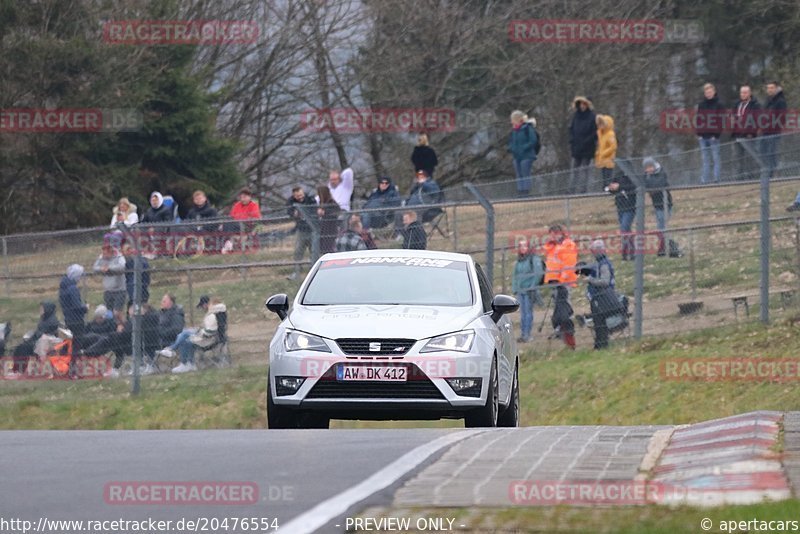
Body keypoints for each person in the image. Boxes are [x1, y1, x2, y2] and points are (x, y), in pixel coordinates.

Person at [157, 296, 226, 374]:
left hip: (208, 340)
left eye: (201, 306)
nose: (202, 309)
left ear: (205, 305)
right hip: (215, 338)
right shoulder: (219, 314)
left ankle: (183, 361)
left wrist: (199, 333)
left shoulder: (212, 315)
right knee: (186, 333)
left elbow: (209, 332)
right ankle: (187, 362)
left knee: (186, 338)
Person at [577, 240, 622, 350]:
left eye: (594, 251)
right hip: (602, 296)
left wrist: (590, 280)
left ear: (599, 250)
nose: (593, 253)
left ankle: (601, 344)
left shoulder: (604, 264)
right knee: (598, 319)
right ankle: (599, 342)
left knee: (599, 319)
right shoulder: (601, 263)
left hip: (605, 296)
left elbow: (605, 282)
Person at [543, 224, 578, 349]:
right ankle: (561, 330)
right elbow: (549, 254)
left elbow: (569, 264)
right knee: (558, 307)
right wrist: (551, 243)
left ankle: (567, 333)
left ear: (561, 233)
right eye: (551, 233)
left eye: (555, 233)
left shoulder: (567, 244)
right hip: (555, 282)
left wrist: (562, 280)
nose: (553, 235)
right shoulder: (554, 246)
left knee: (564, 307)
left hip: (563, 282)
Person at [643, 157, 681, 258]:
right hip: (657, 206)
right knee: (661, 228)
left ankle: (666, 247)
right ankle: (665, 247)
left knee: (662, 227)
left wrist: (651, 187)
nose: (648, 169)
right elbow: (644, 185)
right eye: (646, 168)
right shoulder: (646, 176)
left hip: (666, 205)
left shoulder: (661, 173)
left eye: (650, 167)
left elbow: (660, 184)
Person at [11, 301, 59, 374]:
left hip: (45, 342)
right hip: (36, 340)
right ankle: (16, 369)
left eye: (42, 308)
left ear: (48, 309)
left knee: (23, 349)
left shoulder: (53, 321)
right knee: (19, 348)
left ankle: (19, 370)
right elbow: (38, 332)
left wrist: (34, 337)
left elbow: (45, 334)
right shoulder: (43, 319)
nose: (41, 310)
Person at [511, 240, 545, 343]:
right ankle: (523, 334)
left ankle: (527, 334)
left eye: (525, 246)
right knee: (523, 313)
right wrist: (515, 288)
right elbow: (515, 275)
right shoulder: (519, 261)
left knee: (528, 313)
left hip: (529, 291)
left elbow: (538, 273)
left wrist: (532, 286)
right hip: (521, 291)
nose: (522, 248)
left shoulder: (534, 259)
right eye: (521, 246)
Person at [286, 187, 317, 280]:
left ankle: (314, 274)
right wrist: (294, 213)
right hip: (301, 230)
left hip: (312, 229)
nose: (299, 197)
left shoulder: (310, 199)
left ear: (303, 192)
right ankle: (297, 273)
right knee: (298, 252)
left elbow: (314, 210)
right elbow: (289, 211)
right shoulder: (291, 201)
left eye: (300, 195)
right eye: (297, 196)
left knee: (314, 252)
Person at [731, 85, 761, 181]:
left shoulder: (755, 105)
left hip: (749, 136)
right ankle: (738, 178)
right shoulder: (737, 104)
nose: (743, 94)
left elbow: (757, 120)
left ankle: (751, 178)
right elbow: (732, 116)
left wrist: (752, 132)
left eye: (745, 92)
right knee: (737, 158)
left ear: (749, 93)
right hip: (737, 135)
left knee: (750, 158)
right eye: (741, 93)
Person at [696, 83, 725, 184]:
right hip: (703, 137)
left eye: (710, 92)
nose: (708, 94)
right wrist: (699, 134)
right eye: (706, 92)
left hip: (713, 137)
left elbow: (721, 121)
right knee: (705, 159)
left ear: (714, 92)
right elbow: (698, 120)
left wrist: (716, 135)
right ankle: (705, 180)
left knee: (716, 158)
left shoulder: (719, 105)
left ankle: (716, 179)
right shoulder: (701, 105)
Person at [606, 170, 637, 260]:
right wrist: (610, 188)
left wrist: (620, 187)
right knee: (625, 230)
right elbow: (612, 188)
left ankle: (629, 252)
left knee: (625, 228)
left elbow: (634, 187)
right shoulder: (617, 175)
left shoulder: (632, 176)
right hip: (620, 207)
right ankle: (627, 252)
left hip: (630, 207)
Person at [568, 96, 597, 194]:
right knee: (574, 169)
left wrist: (586, 141)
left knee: (585, 169)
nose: (582, 106)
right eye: (581, 104)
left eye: (584, 104)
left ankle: (582, 190)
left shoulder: (592, 116)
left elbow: (594, 132)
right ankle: (571, 189)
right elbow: (571, 129)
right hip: (576, 147)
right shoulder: (576, 116)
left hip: (587, 147)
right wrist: (572, 141)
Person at [507, 110, 539, 197]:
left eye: (513, 119)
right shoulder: (514, 131)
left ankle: (526, 191)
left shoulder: (527, 128)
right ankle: (520, 191)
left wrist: (524, 147)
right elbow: (511, 142)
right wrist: (511, 148)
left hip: (527, 155)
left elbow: (533, 140)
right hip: (517, 155)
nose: (511, 121)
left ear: (517, 119)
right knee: (518, 173)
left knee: (525, 172)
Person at [762, 81, 787, 179]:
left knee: (772, 152)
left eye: (772, 88)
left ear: (776, 88)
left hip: (774, 131)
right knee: (765, 152)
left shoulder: (780, 101)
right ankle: (769, 172)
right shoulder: (767, 100)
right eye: (768, 88)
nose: (770, 90)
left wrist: (774, 125)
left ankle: (775, 173)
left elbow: (782, 117)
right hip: (765, 131)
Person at [59, 264, 88, 343]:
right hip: (76, 320)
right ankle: (76, 354)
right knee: (78, 340)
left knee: (70, 340)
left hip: (67, 317)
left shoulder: (63, 287)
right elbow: (77, 306)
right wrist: (85, 308)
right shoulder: (73, 288)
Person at [93, 244, 127, 312]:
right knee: (109, 312)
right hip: (108, 290)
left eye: (105, 253)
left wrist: (109, 268)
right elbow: (95, 268)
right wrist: (101, 268)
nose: (104, 255)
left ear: (111, 252)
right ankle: (112, 323)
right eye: (103, 253)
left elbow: (122, 267)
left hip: (119, 290)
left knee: (117, 312)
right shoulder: (101, 258)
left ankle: (121, 323)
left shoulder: (119, 257)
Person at [595, 114, 617, 190]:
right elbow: (601, 146)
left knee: (608, 177)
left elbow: (613, 146)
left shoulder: (610, 134)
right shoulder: (601, 135)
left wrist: (604, 153)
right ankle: (604, 189)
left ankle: (609, 189)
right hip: (602, 160)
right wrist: (598, 155)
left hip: (608, 160)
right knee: (603, 177)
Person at [316, 185, 341, 254]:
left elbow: (336, 212)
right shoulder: (321, 203)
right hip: (322, 229)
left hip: (330, 229)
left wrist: (325, 212)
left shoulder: (331, 202)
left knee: (329, 248)